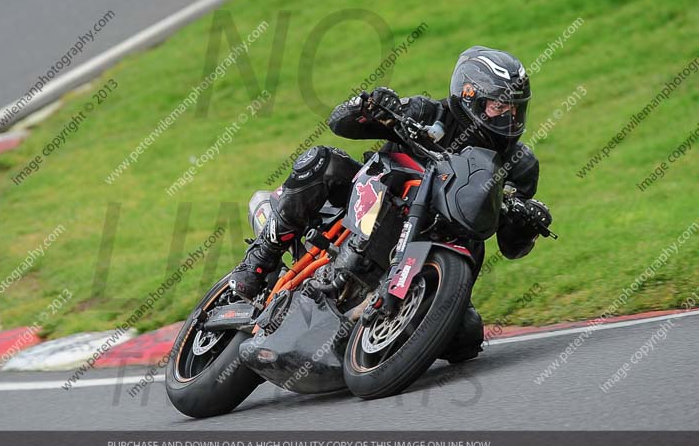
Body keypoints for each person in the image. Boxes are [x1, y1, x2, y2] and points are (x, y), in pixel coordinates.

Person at [229, 45, 552, 363]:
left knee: (466, 338)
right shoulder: (429, 112)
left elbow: (512, 247)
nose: (508, 116)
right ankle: (260, 259)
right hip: (375, 201)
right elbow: (340, 122)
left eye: (514, 108)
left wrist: (527, 222)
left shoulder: (521, 164)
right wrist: (370, 106)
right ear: (468, 96)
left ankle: (377, 333)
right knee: (322, 161)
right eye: (498, 106)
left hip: (443, 244)